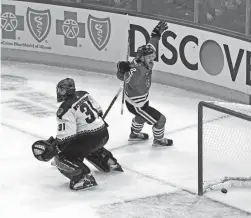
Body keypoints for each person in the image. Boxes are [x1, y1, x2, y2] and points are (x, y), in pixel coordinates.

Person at [32, 78, 123, 191]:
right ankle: (109, 162)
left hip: (89, 139)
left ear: (67, 91)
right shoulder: (84, 94)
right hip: (103, 133)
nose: (59, 93)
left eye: (61, 90)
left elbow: (66, 136)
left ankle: (83, 178)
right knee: (85, 145)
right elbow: (99, 110)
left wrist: (56, 148)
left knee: (61, 157)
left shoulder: (65, 109)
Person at [117, 21, 173, 147]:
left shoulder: (143, 60)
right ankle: (158, 140)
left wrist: (156, 34)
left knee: (141, 117)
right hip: (137, 104)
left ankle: (134, 134)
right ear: (142, 58)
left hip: (139, 101)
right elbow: (123, 78)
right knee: (161, 120)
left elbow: (151, 44)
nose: (152, 59)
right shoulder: (136, 71)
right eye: (149, 57)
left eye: (152, 56)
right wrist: (121, 69)